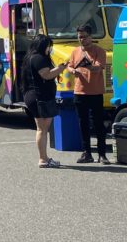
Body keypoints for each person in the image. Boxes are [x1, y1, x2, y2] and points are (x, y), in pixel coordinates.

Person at [22, 34, 68, 168]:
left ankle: (43, 158)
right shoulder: (38, 58)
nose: (50, 48)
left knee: (40, 128)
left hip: (33, 96)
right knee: (42, 129)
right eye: (49, 46)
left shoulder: (30, 57)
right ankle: (43, 159)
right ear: (43, 46)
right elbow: (47, 75)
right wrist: (60, 68)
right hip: (40, 97)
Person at [67, 25, 110, 164]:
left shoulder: (99, 51)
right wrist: (73, 71)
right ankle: (87, 153)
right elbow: (69, 65)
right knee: (83, 123)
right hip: (80, 91)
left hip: (96, 92)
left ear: (91, 37)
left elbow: (99, 67)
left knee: (98, 123)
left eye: (85, 37)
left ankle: (102, 154)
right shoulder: (75, 51)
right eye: (80, 37)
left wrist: (89, 67)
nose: (82, 40)